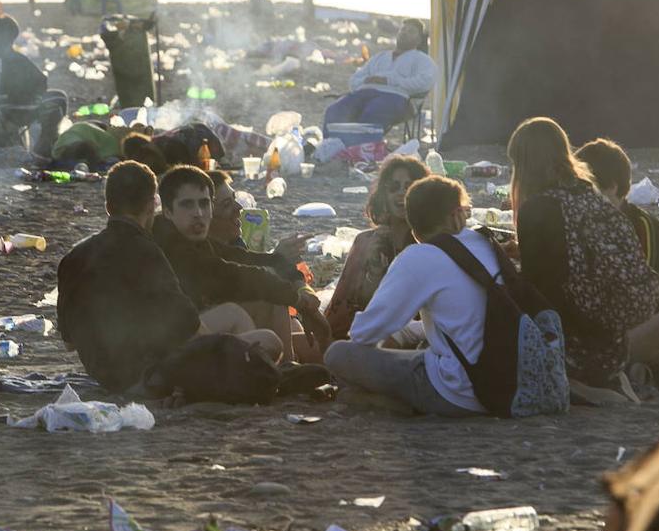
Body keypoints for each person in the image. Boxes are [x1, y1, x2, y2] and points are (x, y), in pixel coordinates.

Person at [509, 117, 659, 402]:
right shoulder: (588, 195)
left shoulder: (537, 208)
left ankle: (580, 385)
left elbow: (538, 294)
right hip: (612, 342)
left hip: (572, 349)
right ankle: (618, 375)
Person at [324, 175, 492, 417]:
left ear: (414, 226)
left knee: (337, 354)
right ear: (457, 214)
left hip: (461, 393)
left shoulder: (420, 256)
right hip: (507, 381)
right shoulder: (485, 243)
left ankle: (394, 403)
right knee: (423, 347)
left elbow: (364, 334)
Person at [152, 165, 324, 363]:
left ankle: (287, 369)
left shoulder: (198, 240)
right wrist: (299, 301)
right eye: (187, 205)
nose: (198, 213)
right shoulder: (169, 244)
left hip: (199, 326)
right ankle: (269, 374)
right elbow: (233, 274)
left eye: (204, 203)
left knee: (276, 308)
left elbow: (255, 261)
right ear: (167, 211)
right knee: (265, 337)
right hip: (167, 344)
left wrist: (301, 290)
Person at [57, 161, 200, 393]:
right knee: (258, 337)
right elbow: (188, 321)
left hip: (103, 374)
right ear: (149, 206)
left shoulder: (74, 256)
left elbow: (69, 343)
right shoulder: (144, 250)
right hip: (146, 375)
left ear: (107, 207)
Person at [325, 155, 428, 340]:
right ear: (384, 194)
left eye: (409, 187)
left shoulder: (429, 245)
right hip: (360, 333)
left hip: (412, 338)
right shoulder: (365, 241)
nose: (401, 193)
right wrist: (373, 276)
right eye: (394, 187)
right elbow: (342, 307)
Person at [575, 139, 659, 313]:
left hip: (642, 321)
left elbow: (643, 293)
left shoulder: (644, 228)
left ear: (612, 188)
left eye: (587, 188)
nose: (579, 196)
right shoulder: (583, 221)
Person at [0, 15, 67, 159]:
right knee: (59, 98)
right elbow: (41, 81)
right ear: (11, 38)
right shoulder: (14, 59)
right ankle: (44, 148)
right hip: (9, 111)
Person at [322, 19, 436, 134]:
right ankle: (333, 146)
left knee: (373, 112)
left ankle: (362, 148)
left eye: (411, 31)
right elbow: (354, 80)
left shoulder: (422, 60)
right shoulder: (381, 56)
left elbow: (425, 82)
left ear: (419, 40)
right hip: (365, 92)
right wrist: (366, 80)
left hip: (396, 97)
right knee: (334, 110)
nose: (405, 33)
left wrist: (389, 81)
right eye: (403, 29)